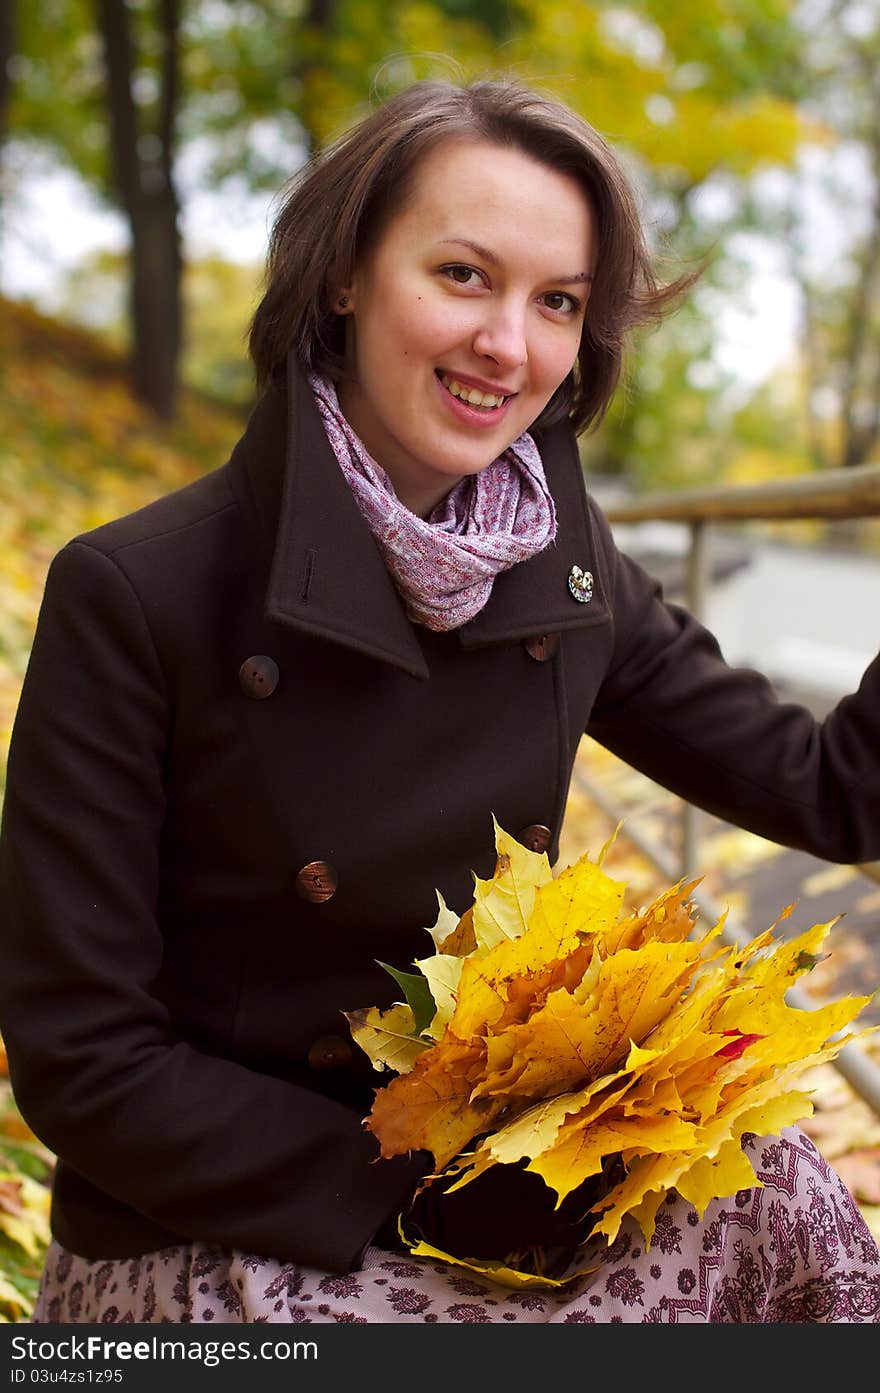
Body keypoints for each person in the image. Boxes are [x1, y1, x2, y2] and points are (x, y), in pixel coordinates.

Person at [1, 75, 879, 1327]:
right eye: (462, 275)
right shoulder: (140, 593)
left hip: (485, 1171)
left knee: (778, 1186)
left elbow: (828, 788)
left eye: (557, 301)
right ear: (346, 276)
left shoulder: (567, 575)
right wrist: (416, 1186)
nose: (507, 346)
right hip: (217, 1218)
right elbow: (81, 1061)